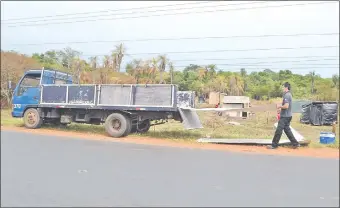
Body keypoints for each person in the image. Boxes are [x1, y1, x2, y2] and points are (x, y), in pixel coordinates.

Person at [267, 82, 300, 149]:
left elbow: (286, 106)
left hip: (285, 117)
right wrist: (280, 109)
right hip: (288, 116)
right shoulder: (288, 94)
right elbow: (285, 106)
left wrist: (279, 106)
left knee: (278, 130)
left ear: (286, 87)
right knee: (287, 130)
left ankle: (274, 145)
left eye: (283, 87)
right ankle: (295, 143)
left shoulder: (287, 95)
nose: (282, 88)